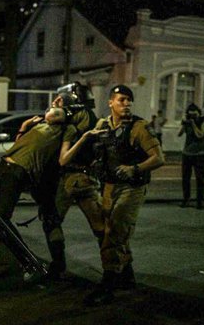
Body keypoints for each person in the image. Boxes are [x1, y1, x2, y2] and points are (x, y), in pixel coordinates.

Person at [70, 85, 165, 306]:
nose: (126, 104)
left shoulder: (139, 127)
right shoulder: (102, 126)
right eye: (121, 100)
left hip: (132, 187)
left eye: (129, 100)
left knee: (114, 230)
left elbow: (159, 158)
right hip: (109, 187)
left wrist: (135, 168)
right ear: (111, 102)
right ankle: (127, 275)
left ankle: (108, 283)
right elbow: (95, 152)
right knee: (111, 231)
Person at [0, 107, 67, 279]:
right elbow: (18, 144)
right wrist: (24, 126)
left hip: (18, 171)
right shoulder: (39, 126)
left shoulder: (62, 130)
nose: (50, 108)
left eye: (55, 108)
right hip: (4, 165)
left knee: (1, 218)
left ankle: (27, 260)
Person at [52, 82, 103, 279]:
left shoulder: (72, 126)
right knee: (99, 228)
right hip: (88, 178)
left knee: (52, 221)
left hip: (71, 178)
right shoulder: (93, 119)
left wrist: (56, 106)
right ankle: (117, 269)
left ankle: (58, 266)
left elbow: (63, 159)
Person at [178, 103, 204, 209]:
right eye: (190, 115)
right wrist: (183, 123)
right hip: (187, 154)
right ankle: (186, 199)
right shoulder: (187, 122)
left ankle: (199, 201)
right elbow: (179, 134)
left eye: (194, 115)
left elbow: (200, 135)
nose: (192, 117)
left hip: (199, 155)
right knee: (185, 178)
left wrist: (193, 124)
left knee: (200, 179)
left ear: (199, 113)